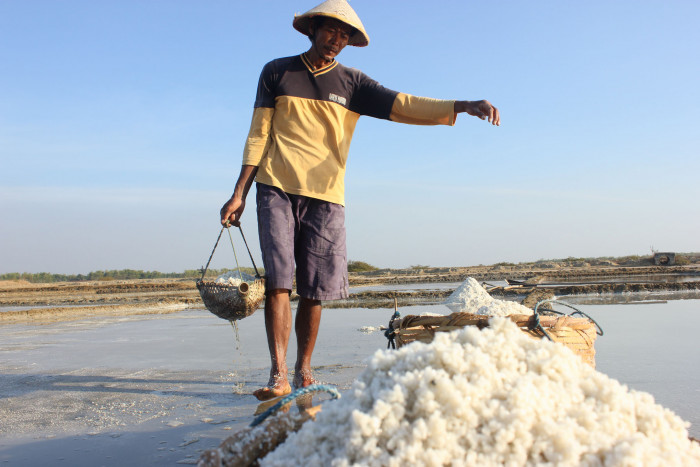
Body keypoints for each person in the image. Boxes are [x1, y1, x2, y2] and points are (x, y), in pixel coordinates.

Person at [220, 0, 499, 401]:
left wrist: (461, 105)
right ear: (313, 28)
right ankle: (278, 372)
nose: (336, 41)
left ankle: (304, 369)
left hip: (326, 195)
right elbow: (258, 135)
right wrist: (238, 193)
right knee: (279, 281)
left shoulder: (352, 83)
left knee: (314, 288)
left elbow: (403, 105)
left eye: (345, 35)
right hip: (275, 187)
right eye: (331, 31)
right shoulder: (277, 71)